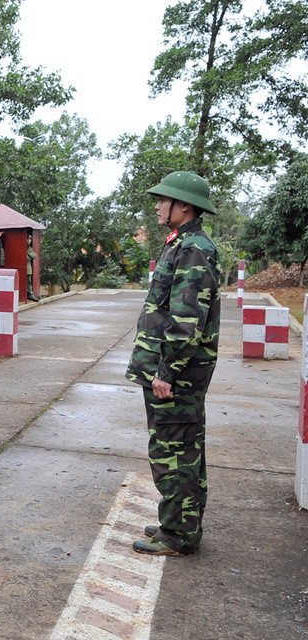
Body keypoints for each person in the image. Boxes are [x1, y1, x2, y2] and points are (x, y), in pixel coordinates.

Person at [127, 171, 219, 557]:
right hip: (173, 371)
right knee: (183, 448)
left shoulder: (194, 248)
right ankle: (180, 522)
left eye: (164, 200)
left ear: (184, 205)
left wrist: (166, 372)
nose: (158, 206)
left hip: (176, 375)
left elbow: (186, 320)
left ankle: (177, 535)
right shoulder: (182, 243)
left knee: (173, 452)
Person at [26, 232, 39, 302]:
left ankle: (30, 294)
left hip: (28, 268)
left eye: (30, 239)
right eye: (27, 239)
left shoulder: (29, 248)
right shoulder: (22, 247)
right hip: (23, 267)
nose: (29, 241)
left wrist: (28, 254)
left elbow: (34, 256)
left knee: (29, 282)